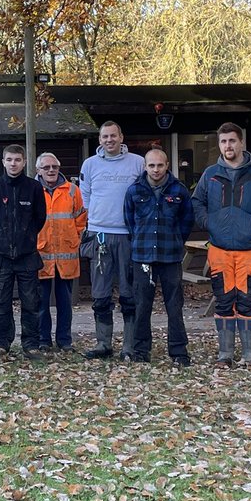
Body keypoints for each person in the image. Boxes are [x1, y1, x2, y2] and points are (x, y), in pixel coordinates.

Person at [191, 123, 251, 366]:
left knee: (247, 301)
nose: (228, 146)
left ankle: (250, 354)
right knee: (223, 301)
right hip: (219, 249)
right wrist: (207, 222)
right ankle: (225, 355)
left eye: (232, 141)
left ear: (241, 143)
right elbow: (196, 202)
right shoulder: (210, 174)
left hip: (250, 250)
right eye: (223, 142)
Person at [79, 121, 147, 359]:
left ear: (121, 137)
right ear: (100, 139)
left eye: (113, 136)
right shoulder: (90, 165)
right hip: (99, 235)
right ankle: (103, 343)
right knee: (100, 293)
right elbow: (85, 196)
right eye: (104, 136)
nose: (109, 140)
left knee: (129, 293)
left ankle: (128, 345)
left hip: (128, 235)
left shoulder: (138, 163)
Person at [124, 148, 195, 366]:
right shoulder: (134, 190)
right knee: (142, 304)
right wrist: (140, 239)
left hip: (170, 255)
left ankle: (179, 352)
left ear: (167, 166)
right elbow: (129, 221)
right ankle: (140, 351)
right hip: (142, 254)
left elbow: (187, 221)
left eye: (160, 165)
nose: (156, 169)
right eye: (151, 165)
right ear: (145, 167)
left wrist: (175, 240)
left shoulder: (179, 190)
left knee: (174, 305)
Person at [0, 144, 48, 359]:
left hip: (27, 256)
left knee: (31, 304)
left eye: (17, 160)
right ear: (3, 162)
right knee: (2, 305)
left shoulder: (34, 188)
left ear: (24, 161)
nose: (13, 163)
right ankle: (2, 345)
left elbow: (40, 219)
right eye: (9, 159)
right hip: (1, 257)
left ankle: (31, 345)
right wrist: (5, 238)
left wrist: (25, 237)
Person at [35, 153, 87, 352]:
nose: (51, 170)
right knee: (41, 303)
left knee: (65, 304)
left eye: (54, 167)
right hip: (40, 255)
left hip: (66, 254)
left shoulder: (73, 191)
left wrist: (75, 238)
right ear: (38, 170)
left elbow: (81, 219)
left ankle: (64, 341)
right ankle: (43, 340)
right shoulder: (32, 190)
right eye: (46, 167)